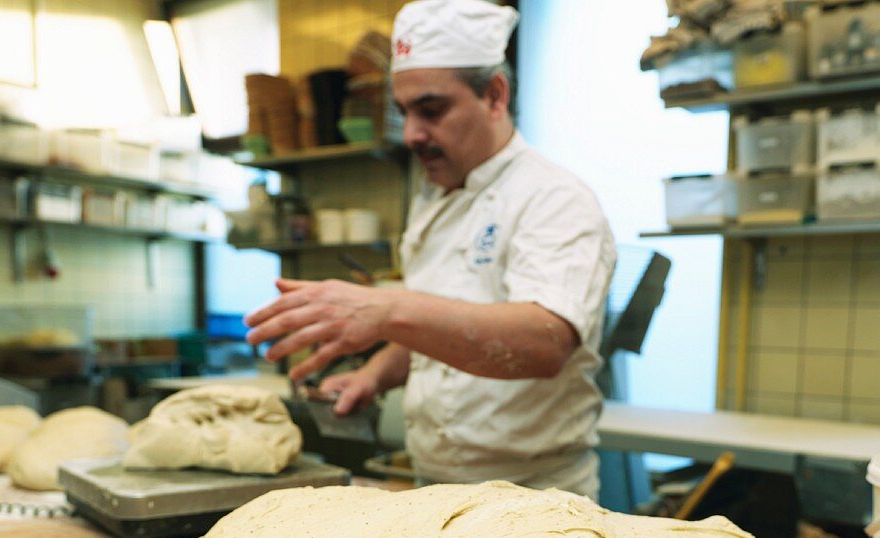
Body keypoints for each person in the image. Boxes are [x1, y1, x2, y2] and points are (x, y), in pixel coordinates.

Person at [245, 0, 616, 499]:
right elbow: (442, 328)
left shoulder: (552, 198)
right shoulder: (436, 201)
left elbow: (544, 342)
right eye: (404, 112)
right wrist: (373, 375)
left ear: (495, 96)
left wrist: (388, 307)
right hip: (436, 490)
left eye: (432, 110)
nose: (413, 134)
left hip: (534, 498)